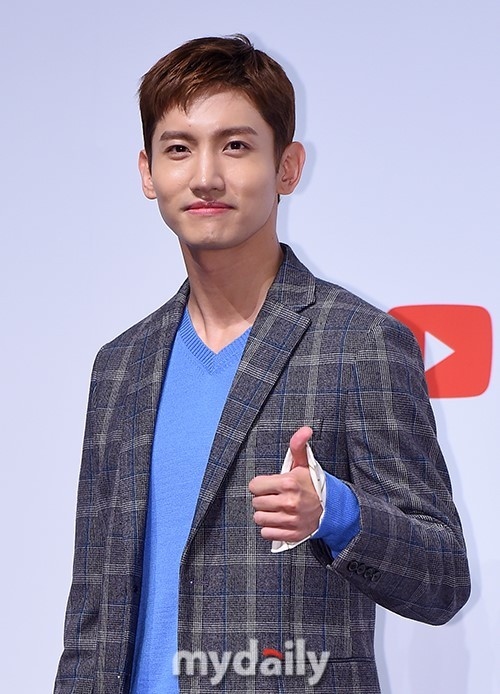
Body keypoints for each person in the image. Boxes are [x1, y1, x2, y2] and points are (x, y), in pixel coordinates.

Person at [54, 34, 470, 694]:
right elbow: (92, 611)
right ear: (147, 172)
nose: (205, 176)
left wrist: (337, 512)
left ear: (288, 167)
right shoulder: (120, 368)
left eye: (236, 146)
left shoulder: (359, 343)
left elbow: (443, 580)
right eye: (179, 148)